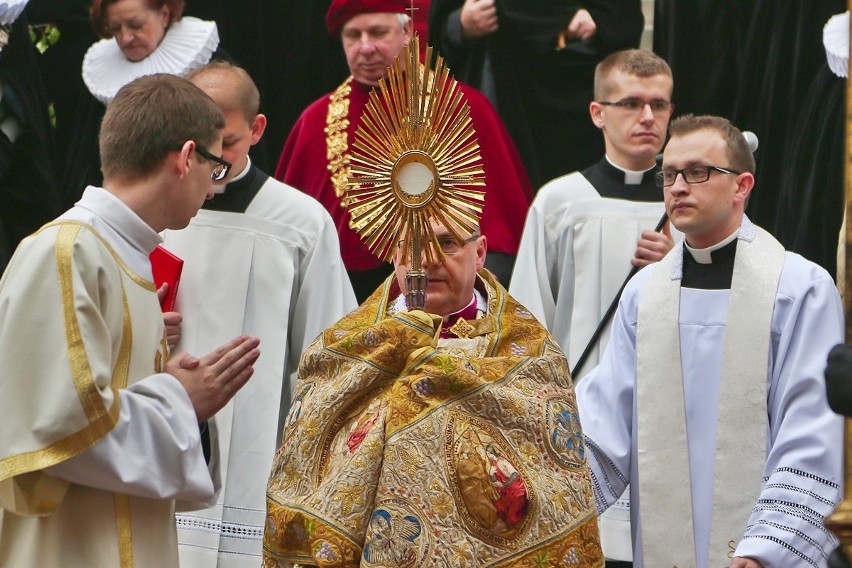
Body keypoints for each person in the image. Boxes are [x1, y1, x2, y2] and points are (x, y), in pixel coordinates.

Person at [0, 74, 261, 567]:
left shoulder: (128, 257)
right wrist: (181, 400)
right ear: (186, 158)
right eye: (216, 165)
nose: (213, 186)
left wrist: (186, 406)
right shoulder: (67, 251)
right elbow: (58, 427)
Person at [576, 114, 844, 567]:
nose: (678, 186)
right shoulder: (644, 294)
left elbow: (811, 430)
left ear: (742, 185)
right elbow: (605, 426)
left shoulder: (798, 288)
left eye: (698, 172)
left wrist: (765, 548)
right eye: (669, 173)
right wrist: (541, 494)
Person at [264, 217, 605, 566]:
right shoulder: (344, 350)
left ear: (481, 252)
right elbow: (305, 471)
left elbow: (558, 485)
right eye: (412, 244)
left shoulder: (531, 353)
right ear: (395, 254)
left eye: (447, 243)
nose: (427, 258)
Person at [160, 60, 358, 567]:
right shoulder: (154, 210)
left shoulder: (299, 221)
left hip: (263, 450)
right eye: (198, 140)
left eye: (227, 141)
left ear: (257, 129)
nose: (215, 159)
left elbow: (330, 349)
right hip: (163, 435)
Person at [509, 47, 674, 568]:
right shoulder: (561, 203)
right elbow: (528, 319)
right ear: (597, 112)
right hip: (575, 422)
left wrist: (679, 270)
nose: (647, 118)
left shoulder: (693, 206)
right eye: (630, 103)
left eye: (660, 104)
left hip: (666, 418)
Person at [275, 0, 533, 301]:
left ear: (408, 31)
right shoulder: (314, 122)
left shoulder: (464, 108)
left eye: (378, 32)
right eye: (353, 36)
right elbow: (289, 240)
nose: (366, 47)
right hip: (345, 303)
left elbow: (504, 233)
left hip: (447, 302)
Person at [429, 0, 645, 191]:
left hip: (570, 104)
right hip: (500, 90)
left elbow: (622, 17)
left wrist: (595, 22)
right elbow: (443, 25)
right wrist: (460, 24)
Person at [60, 0, 220, 207]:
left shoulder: (202, 64)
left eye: (135, 25)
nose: (125, 37)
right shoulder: (100, 81)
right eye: (115, 28)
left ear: (164, 15)